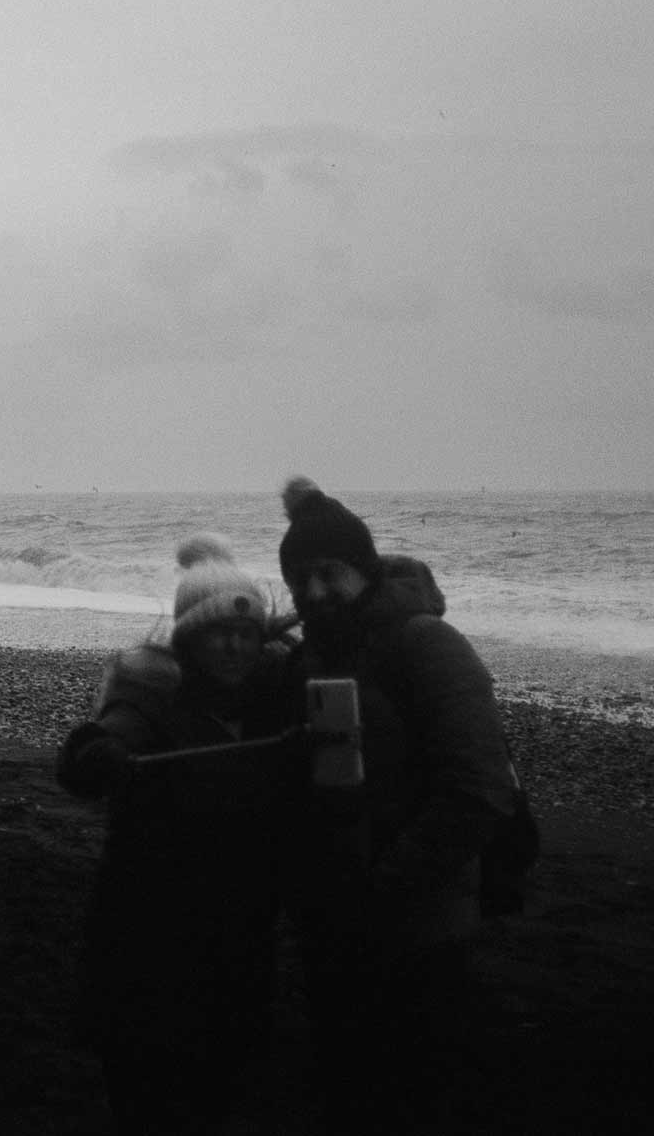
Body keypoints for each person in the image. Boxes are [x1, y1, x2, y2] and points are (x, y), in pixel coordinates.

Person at [277, 477, 517, 1135]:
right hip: (333, 929)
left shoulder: (425, 644)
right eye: (301, 580)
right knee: (347, 1093)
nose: (316, 592)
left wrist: (381, 886)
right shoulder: (310, 655)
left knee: (417, 1093)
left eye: (331, 573)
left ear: (365, 570)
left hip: (420, 927)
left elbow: (478, 789)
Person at [57, 534, 301, 1136]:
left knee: (219, 1091)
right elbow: (97, 745)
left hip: (239, 935)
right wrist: (101, 754)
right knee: (146, 1093)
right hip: (149, 933)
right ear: (189, 638)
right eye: (218, 633)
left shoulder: (277, 700)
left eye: (246, 633)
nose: (233, 645)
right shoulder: (154, 697)